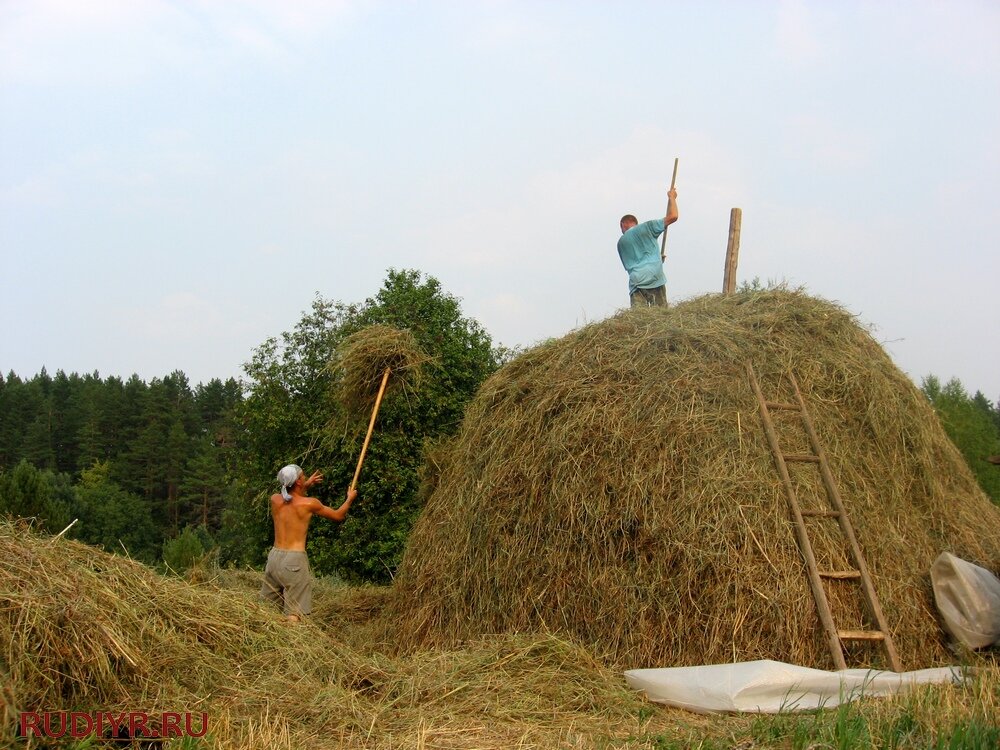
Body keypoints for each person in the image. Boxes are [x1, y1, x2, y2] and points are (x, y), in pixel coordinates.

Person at [259, 464, 357, 622]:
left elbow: (289, 496)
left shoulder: (275, 500)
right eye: (302, 477)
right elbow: (338, 515)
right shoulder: (310, 504)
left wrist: (305, 484)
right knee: (295, 613)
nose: (305, 478)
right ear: (297, 482)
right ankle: (293, 645)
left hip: (274, 558)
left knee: (267, 609)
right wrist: (349, 499)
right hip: (294, 562)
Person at [617, 188, 679, 307]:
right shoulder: (647, 227)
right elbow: (673, 216)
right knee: (662, 316)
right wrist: (672, 197)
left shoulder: (621, 243)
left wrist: (657, 258)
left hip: (636, 283)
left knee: (639, 320)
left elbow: (637, 261)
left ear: (622, 225)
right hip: (654, 278)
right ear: (636, 222)